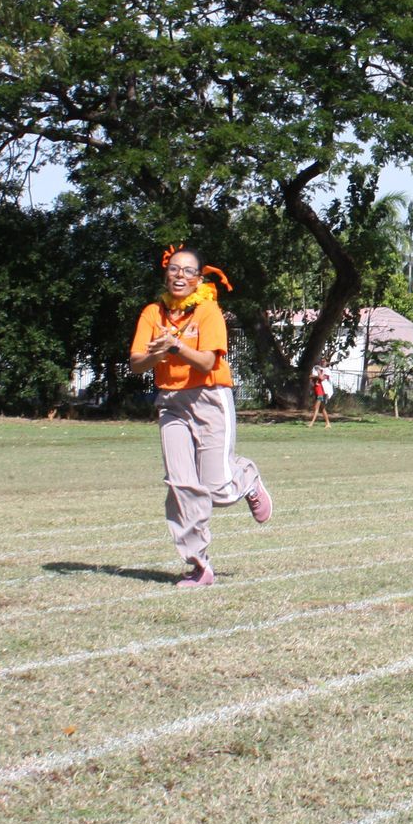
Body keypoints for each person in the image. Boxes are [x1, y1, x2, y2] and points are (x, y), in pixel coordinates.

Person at [128, 245, 272, 588]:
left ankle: (247, 477)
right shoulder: (152, 313)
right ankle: (199, 565)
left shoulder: (208, 312)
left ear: (199, 279)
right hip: (172, 403)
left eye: (188, 271)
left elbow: (208, 362)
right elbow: (136, 363)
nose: (180, 276)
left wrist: (175, 347)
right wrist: (156, 355)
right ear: (166, 274)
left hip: (210, 399)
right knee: (180, 485)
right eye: (174, 270)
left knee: (218, 491)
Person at [307, 363, 334, 429]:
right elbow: (310, 376)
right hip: (316, 391)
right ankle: (328, 423)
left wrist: (319, 373)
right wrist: (316, 375)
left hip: (320, 393)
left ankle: (312, 423)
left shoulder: (326, 374)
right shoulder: (317, 370)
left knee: (316, 407)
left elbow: (321, 378)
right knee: (322, 408)